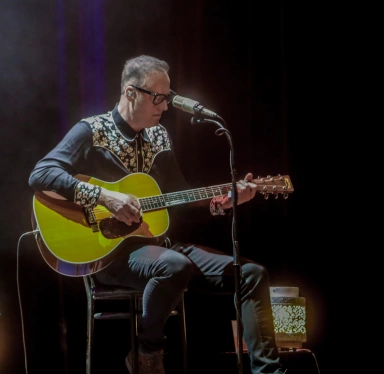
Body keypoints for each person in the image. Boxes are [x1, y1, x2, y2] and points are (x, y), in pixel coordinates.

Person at [28, 55, 286, 374]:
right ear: (130, 92)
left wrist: (220, 203)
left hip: (159, 246)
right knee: (174, 266)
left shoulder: (159, 136)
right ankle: (147, 352)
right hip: (111, 254)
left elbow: (177, 202)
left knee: (252, 274)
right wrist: (104, 196)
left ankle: (270, 372)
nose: (164, 106)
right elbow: (42, 174)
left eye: (167, 97)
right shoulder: (92, 130)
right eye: (158, 97)